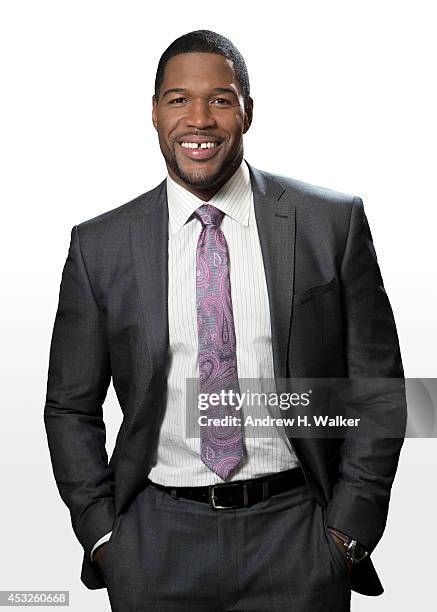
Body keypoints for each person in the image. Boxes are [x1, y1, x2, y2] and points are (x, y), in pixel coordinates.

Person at [44, 29, 406, 612]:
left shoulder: (330, 224)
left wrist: (348, 533)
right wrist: (105, 537)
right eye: (178, 99)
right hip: (156, 543)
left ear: (247, 112)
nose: (199, 118)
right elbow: (69, 405)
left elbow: (379, 390)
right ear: (155, 113)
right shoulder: (99, 246)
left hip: (298, 537)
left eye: (220, 99)